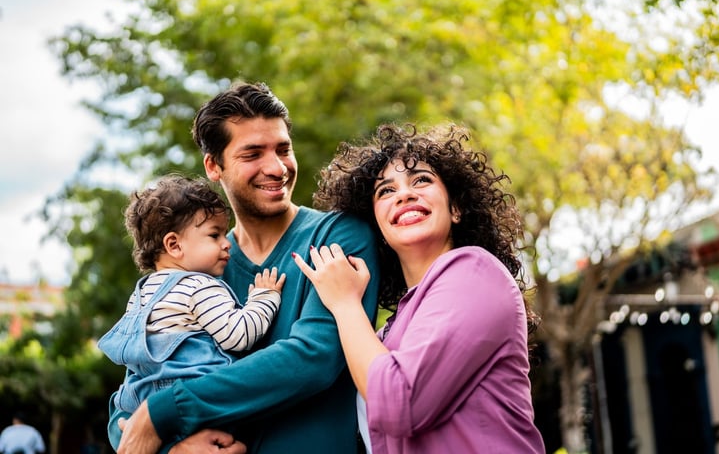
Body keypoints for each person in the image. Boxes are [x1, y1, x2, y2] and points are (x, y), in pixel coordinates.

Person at [112, 82, 381, 454]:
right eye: (252, 153)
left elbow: (314, 357)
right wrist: (170, 448)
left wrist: (165, 412)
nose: (275, 167)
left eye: (283, 149)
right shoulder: (192, 267)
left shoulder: (338, 235)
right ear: (213, 166)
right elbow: (135, 387)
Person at [293, 123, 546, 453]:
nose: (404, 194)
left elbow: (400, 401)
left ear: (455, 209)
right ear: (377, 227)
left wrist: (344, 303)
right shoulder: (387, 333)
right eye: (386, 191)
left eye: (421, 180)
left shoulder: (475, 272)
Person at [98, 174, 285, 423]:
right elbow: (238, 335)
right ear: (174, 245)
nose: (227, 243)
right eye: (214, 235)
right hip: (196, 400)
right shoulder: (198, 286)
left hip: (145, 405)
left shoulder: (140, 293)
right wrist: (264, 297)